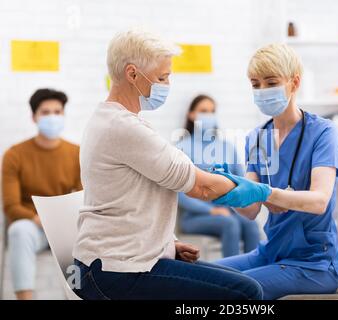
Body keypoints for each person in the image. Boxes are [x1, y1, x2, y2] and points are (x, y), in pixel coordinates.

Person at [71, 29, 268, 300]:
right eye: (162, 77)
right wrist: (264, 192)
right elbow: (200, 186)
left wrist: (167, 244)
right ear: (132, 74)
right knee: (247, 292)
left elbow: (132, 201)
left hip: (117, 263)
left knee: (242, 282)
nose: (167, 84)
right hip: (114, 272)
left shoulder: (113, 120)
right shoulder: (124, 127)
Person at [210, 44, 338, 300]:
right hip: (270, 253)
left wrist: (266, 193)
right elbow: (250, 211)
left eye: (271, 82)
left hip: (313, 263)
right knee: (201, 278)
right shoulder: (257, 137)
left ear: (294, 83)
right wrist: (229, 190)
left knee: (232, 291)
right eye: (255, 84)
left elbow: (319, 201)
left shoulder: (322, 133)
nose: (262, 90)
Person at [1, 88, 82, 300]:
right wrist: (39, 220)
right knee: (18, 231)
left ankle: (76, 296)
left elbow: (84, 197)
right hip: (32, 226)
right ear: (34, 117)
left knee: (84, 238)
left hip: (64, 226)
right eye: (45, 112)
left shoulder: (76, 153)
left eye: (57, 111)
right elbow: (11, 206)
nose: (52, 117)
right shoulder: (15, 155)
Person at [177, 95, 260, 258]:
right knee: (230, 224)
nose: (209, 115)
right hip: (194, 217)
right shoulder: (182, 148)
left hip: (228, 211)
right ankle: (234, 278)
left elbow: (241, 181)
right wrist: (212, 210)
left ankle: (253, 275)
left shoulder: (227, 147)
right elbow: (180, 194)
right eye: (203, 111)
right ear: (191, 115)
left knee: (251, 225)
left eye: (212, 111)